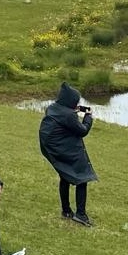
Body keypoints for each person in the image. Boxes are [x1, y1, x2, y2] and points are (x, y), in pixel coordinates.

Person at [40, 82, 97, 226]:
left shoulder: (52, 108)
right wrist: (88, 117)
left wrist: (74, 110)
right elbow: (82, 131)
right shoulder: (68, 115)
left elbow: (63, 119)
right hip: (65, 148)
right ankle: (81, 215)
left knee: (64, 176)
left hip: (54, 148)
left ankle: (66, 211)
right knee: (82, 178)